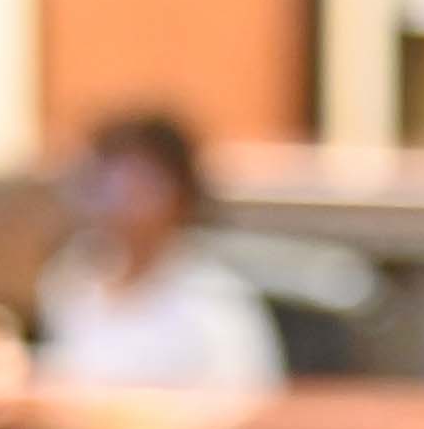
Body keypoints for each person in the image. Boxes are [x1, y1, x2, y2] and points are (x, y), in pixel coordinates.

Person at [31, 108, 283, 396]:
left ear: (180, 193)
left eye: (138, 181)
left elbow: (250, 408)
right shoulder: (72, 280)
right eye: (104, 178)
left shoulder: (215, 301)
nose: (117, 196)